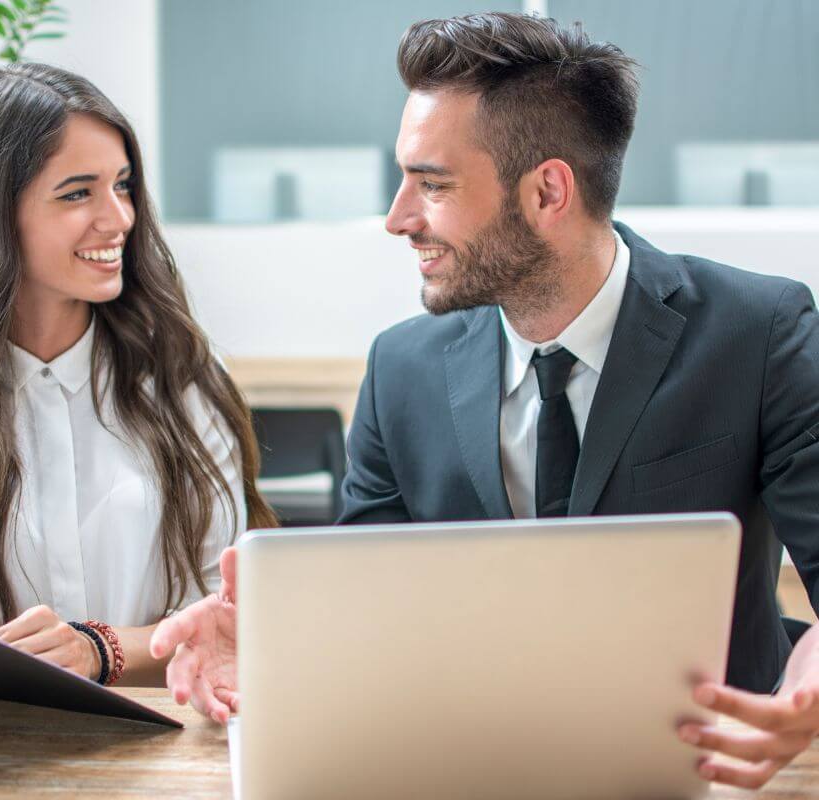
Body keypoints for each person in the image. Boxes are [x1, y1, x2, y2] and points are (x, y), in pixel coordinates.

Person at [151, 12, 819, 790]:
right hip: (462, 769)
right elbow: (372, 606)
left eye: (432, 185)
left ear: (547, 191)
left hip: (707, 775)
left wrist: (807, 692)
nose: (399, 218)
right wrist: (281, 639)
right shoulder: (402, 367)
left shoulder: (759, 334)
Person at [0, 63, 275, 686]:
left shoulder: (184, 382)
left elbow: (223, 616)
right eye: (77, 193)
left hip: (153, 761)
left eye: (123, 185)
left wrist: (97, 648)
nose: (118, 218)